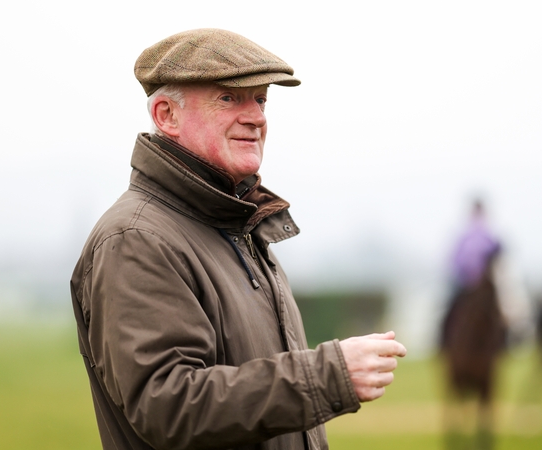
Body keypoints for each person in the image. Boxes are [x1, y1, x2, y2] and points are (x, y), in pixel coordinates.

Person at [70, 28, 406, 450]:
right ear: (165, 115)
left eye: (261, 99)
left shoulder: (237, 224)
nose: (257, 117)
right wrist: (326, 376)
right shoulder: (136, 238)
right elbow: (168, 407)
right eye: (229, 98)